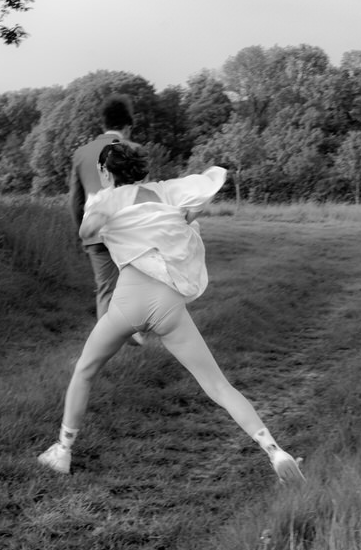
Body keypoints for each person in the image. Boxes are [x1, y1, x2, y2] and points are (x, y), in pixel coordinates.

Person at [38, 143, 305, 483]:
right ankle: (274, 450)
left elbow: (86, 233)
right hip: (168, 306)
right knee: (218, 385)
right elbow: (202, 193)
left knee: (85, 370)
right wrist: (182, 218)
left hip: (128, 303)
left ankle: (62, 451)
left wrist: (104, 214)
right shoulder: (166, 192)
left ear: (106, 172)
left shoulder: (105, 201)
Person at [69, 94, 137, 321]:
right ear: (128, 126)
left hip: (95, 233)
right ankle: (129, 332)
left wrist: (83, 232)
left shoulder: (81, 153)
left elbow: (75, 202)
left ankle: (108, 345)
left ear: (103, 124)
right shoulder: (135, 150)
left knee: (106, 290)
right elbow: (146, 198)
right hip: (131, 233)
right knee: (135, 286)